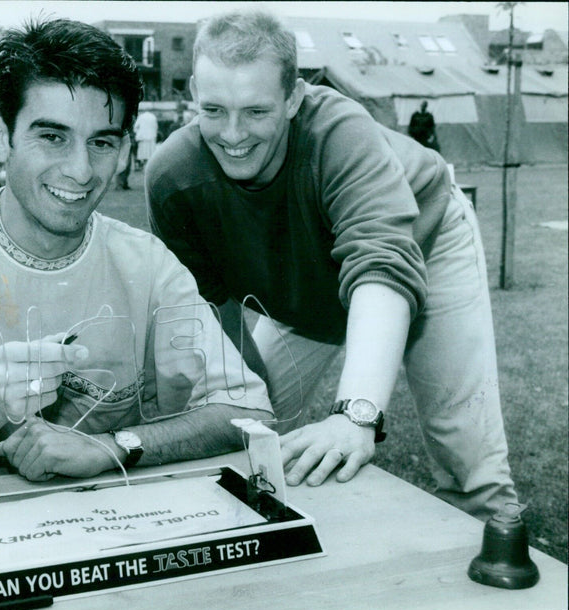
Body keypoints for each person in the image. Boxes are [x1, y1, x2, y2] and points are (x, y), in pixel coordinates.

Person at [0, 18, 272, 488]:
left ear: (126, 149)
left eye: (101, 142)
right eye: (52, 137)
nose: (80, 170)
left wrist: (113, 446)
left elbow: (250, 411)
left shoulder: (149, 266)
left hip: (103, 538)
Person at [146, 11, 517, 521]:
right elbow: (213, 318)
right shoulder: (172, 175)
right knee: (245, 429)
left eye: (256, 111)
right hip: (312, 293)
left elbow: (381, 263)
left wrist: (355, 414)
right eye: (214, 109)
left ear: (295, 97)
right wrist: (237, 402)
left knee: (467, 456)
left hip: (422, 251)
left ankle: (498, 561)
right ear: (193, 92)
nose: (232, 134)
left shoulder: (338, 131)